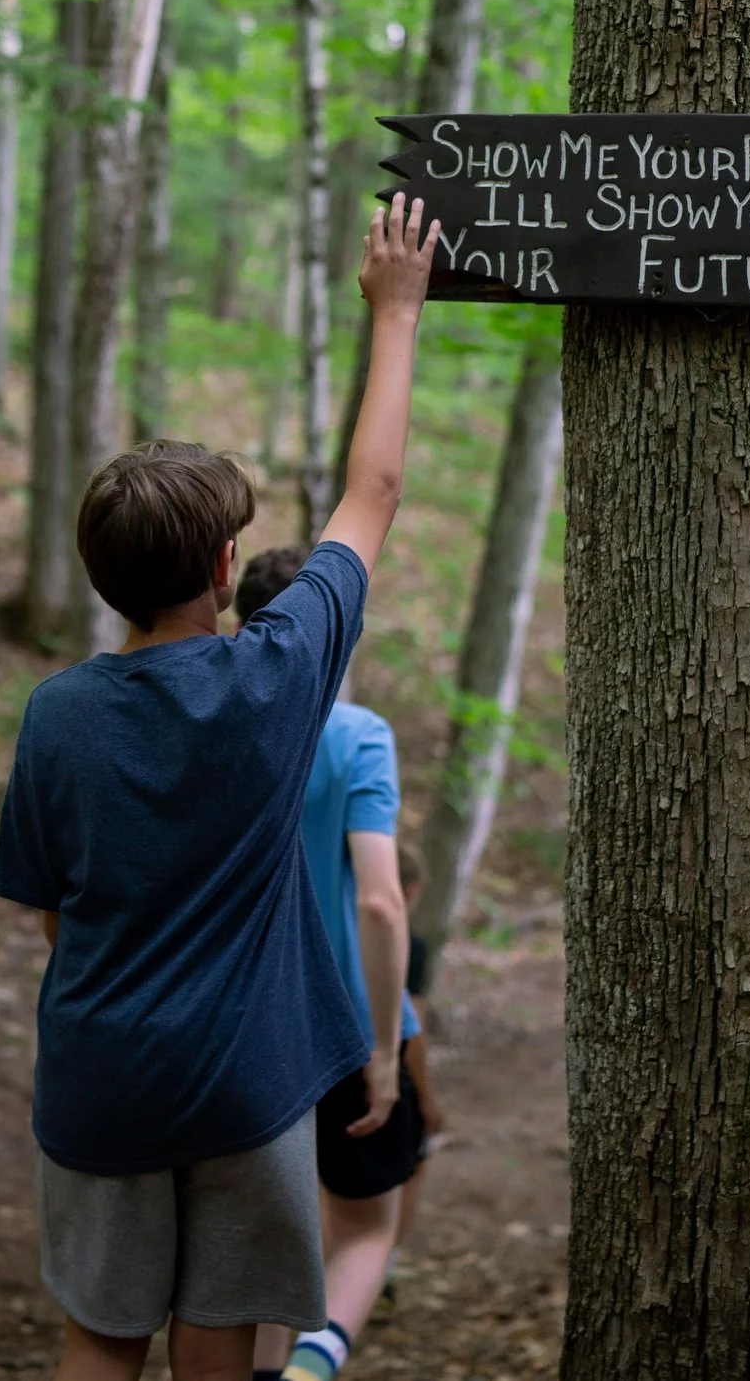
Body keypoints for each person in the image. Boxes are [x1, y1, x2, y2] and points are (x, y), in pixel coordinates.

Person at [0, 193, 438, 1381]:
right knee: (217, 1337)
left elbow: (49, 910)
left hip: (99, 1076)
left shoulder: (57, 713)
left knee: (100, 1331)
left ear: (102, 578)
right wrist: (396, 312)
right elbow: (374, 492)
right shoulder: (278, 675)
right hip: (245, 1080)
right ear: (229, 568)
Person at [233, 547, 421, 1381]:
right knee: (367, 1229)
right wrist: (385, 1051)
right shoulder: (357, 738)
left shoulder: (218, 734)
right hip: (343, 1025)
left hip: (241, 1027)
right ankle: (316, 1368)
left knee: (271, 1242)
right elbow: (380, 900)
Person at [381, 842, 442, 1314]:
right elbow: (411, 1025)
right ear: (414, 889)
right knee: (411, 1169)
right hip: (390, 1075)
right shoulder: (410, 943)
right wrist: (426, 1098)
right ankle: (385, 1267)